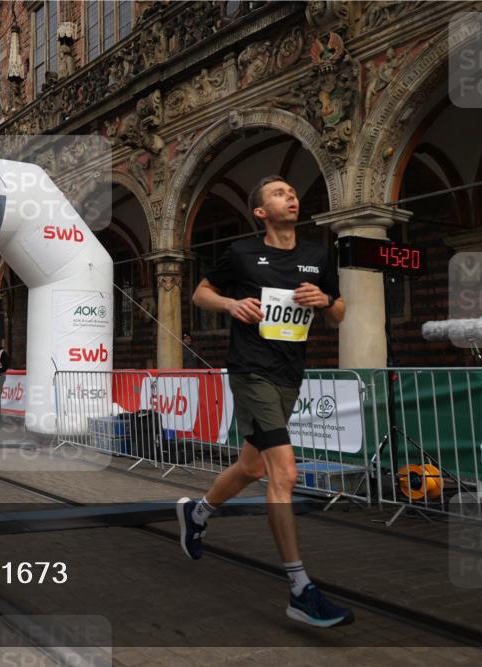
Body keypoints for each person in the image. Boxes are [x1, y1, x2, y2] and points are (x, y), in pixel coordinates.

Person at [176, 175, 352, 627]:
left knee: (252, 466)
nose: (290, 197)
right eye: (279, 193)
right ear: (260, 212)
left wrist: (326, 299)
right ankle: (299, 588)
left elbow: (337, 313)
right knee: (284, 472)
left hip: (290, 373)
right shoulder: (240, 253)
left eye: (292, 192)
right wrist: (232, 305)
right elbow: (200, 293)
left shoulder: (317, 254)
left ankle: (197, 513)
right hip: (250, 370)